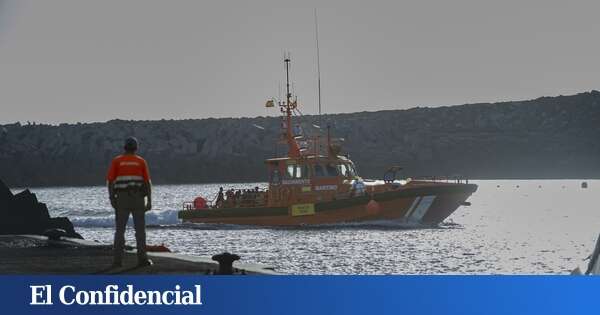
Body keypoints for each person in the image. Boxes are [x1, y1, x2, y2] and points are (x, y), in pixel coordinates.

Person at [106, 137, 153, 267]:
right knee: (140, 231)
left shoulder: (117, 161)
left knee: (120, 231)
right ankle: (142, 260)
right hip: (138, 198)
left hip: (121, 198)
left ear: (124, 147)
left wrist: (112, 198)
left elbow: (110, 182)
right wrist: (149, 200)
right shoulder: (141, 161)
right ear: (136, 148)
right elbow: (147, 183)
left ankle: (117, 261)